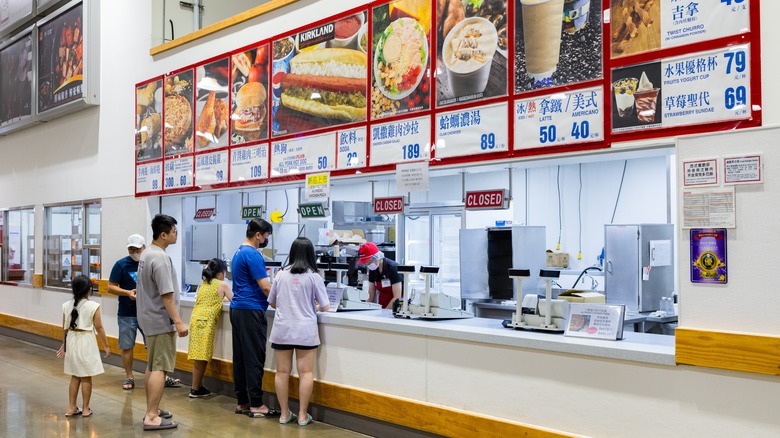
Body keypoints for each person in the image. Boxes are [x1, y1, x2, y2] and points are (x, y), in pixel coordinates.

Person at [268, 237, 330, 426]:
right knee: (306, 373)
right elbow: (325, 306)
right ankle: (302, 416)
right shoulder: (314, 276)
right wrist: (313, 305)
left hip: (283, 328)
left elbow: (272, 302)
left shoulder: (280, 274)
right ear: (311, 254)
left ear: (292, 252)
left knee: (282, 372)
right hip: (305, 330)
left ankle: (285, 414)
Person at [108, 234, 181, 390]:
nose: (134, 251)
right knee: (127, 345)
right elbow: (110, 287)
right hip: (127, 313)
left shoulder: (148, 262)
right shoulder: (121, 265)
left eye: (137, 248)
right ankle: (129, 377)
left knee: (153, 347)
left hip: (148, 312)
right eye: (131, 249)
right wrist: (127, 293)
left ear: (144, 248)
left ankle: (162, 376)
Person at [136, 214, 189, 431]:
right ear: (163, 234)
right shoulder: (159, 258)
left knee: (152, 365)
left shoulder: (147, 253)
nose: (176, 234)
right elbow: (166, 295)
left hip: (148, 318)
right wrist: (178, 321)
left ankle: (153, 409)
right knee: (160, 367)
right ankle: (151, 415)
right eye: (174, 231)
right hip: (160, 320)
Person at [230, 218, 280, 418]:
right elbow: (266, 287)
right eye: (266, 235)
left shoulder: (238, 252)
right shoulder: (253, 255)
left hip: (238, 309)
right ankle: (257, 404)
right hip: (251, 310)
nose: (266, 239)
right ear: (258, 234)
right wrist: (280, 303)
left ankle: (243, 402)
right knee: (254, 358)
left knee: (241, 358)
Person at [56, 275, 110, 418]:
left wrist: (64, 344)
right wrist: (106, 345)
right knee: (86, 377)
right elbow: (99, 327)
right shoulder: (93, 306)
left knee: (75, 376)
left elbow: (65, 328)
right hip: (86, 340)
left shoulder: (66, 305)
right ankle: (86, 409)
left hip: (72, 340)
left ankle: (71, 407)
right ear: (89, 290)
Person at [187, 258, 233, 398]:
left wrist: (222, 299)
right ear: (220, 273)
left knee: (198, 356)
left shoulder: (203, 284)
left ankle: (197, 386)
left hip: (196, 320)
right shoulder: (222, 284)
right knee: (202, 357)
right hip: (206, 323)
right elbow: (234, 299)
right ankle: (195, 389)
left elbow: (215, 298)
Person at [358, 242, 403, 309]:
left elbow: (397, 296)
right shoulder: (373, 270)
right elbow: (371, 295)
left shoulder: (393, 268)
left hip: (397, 308)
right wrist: (364, 309)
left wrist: (384, 312)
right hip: (382, 306)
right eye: (366, 263)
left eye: (369, 262)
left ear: (377, 257)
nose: (368, 265)